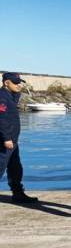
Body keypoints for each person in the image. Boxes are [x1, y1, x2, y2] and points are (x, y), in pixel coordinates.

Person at [0, 73, 39, 204]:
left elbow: (13, 105)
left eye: (19, 82)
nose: (19, 85)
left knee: (15, 168)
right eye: (16, 83)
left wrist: (17, 92)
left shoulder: (10, 96)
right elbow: (1, 119)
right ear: (6, 83)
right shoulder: (2, 97)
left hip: (13, 140)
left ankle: (18, 194)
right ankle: (18, 193)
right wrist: (6, 138)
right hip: (5, 141)